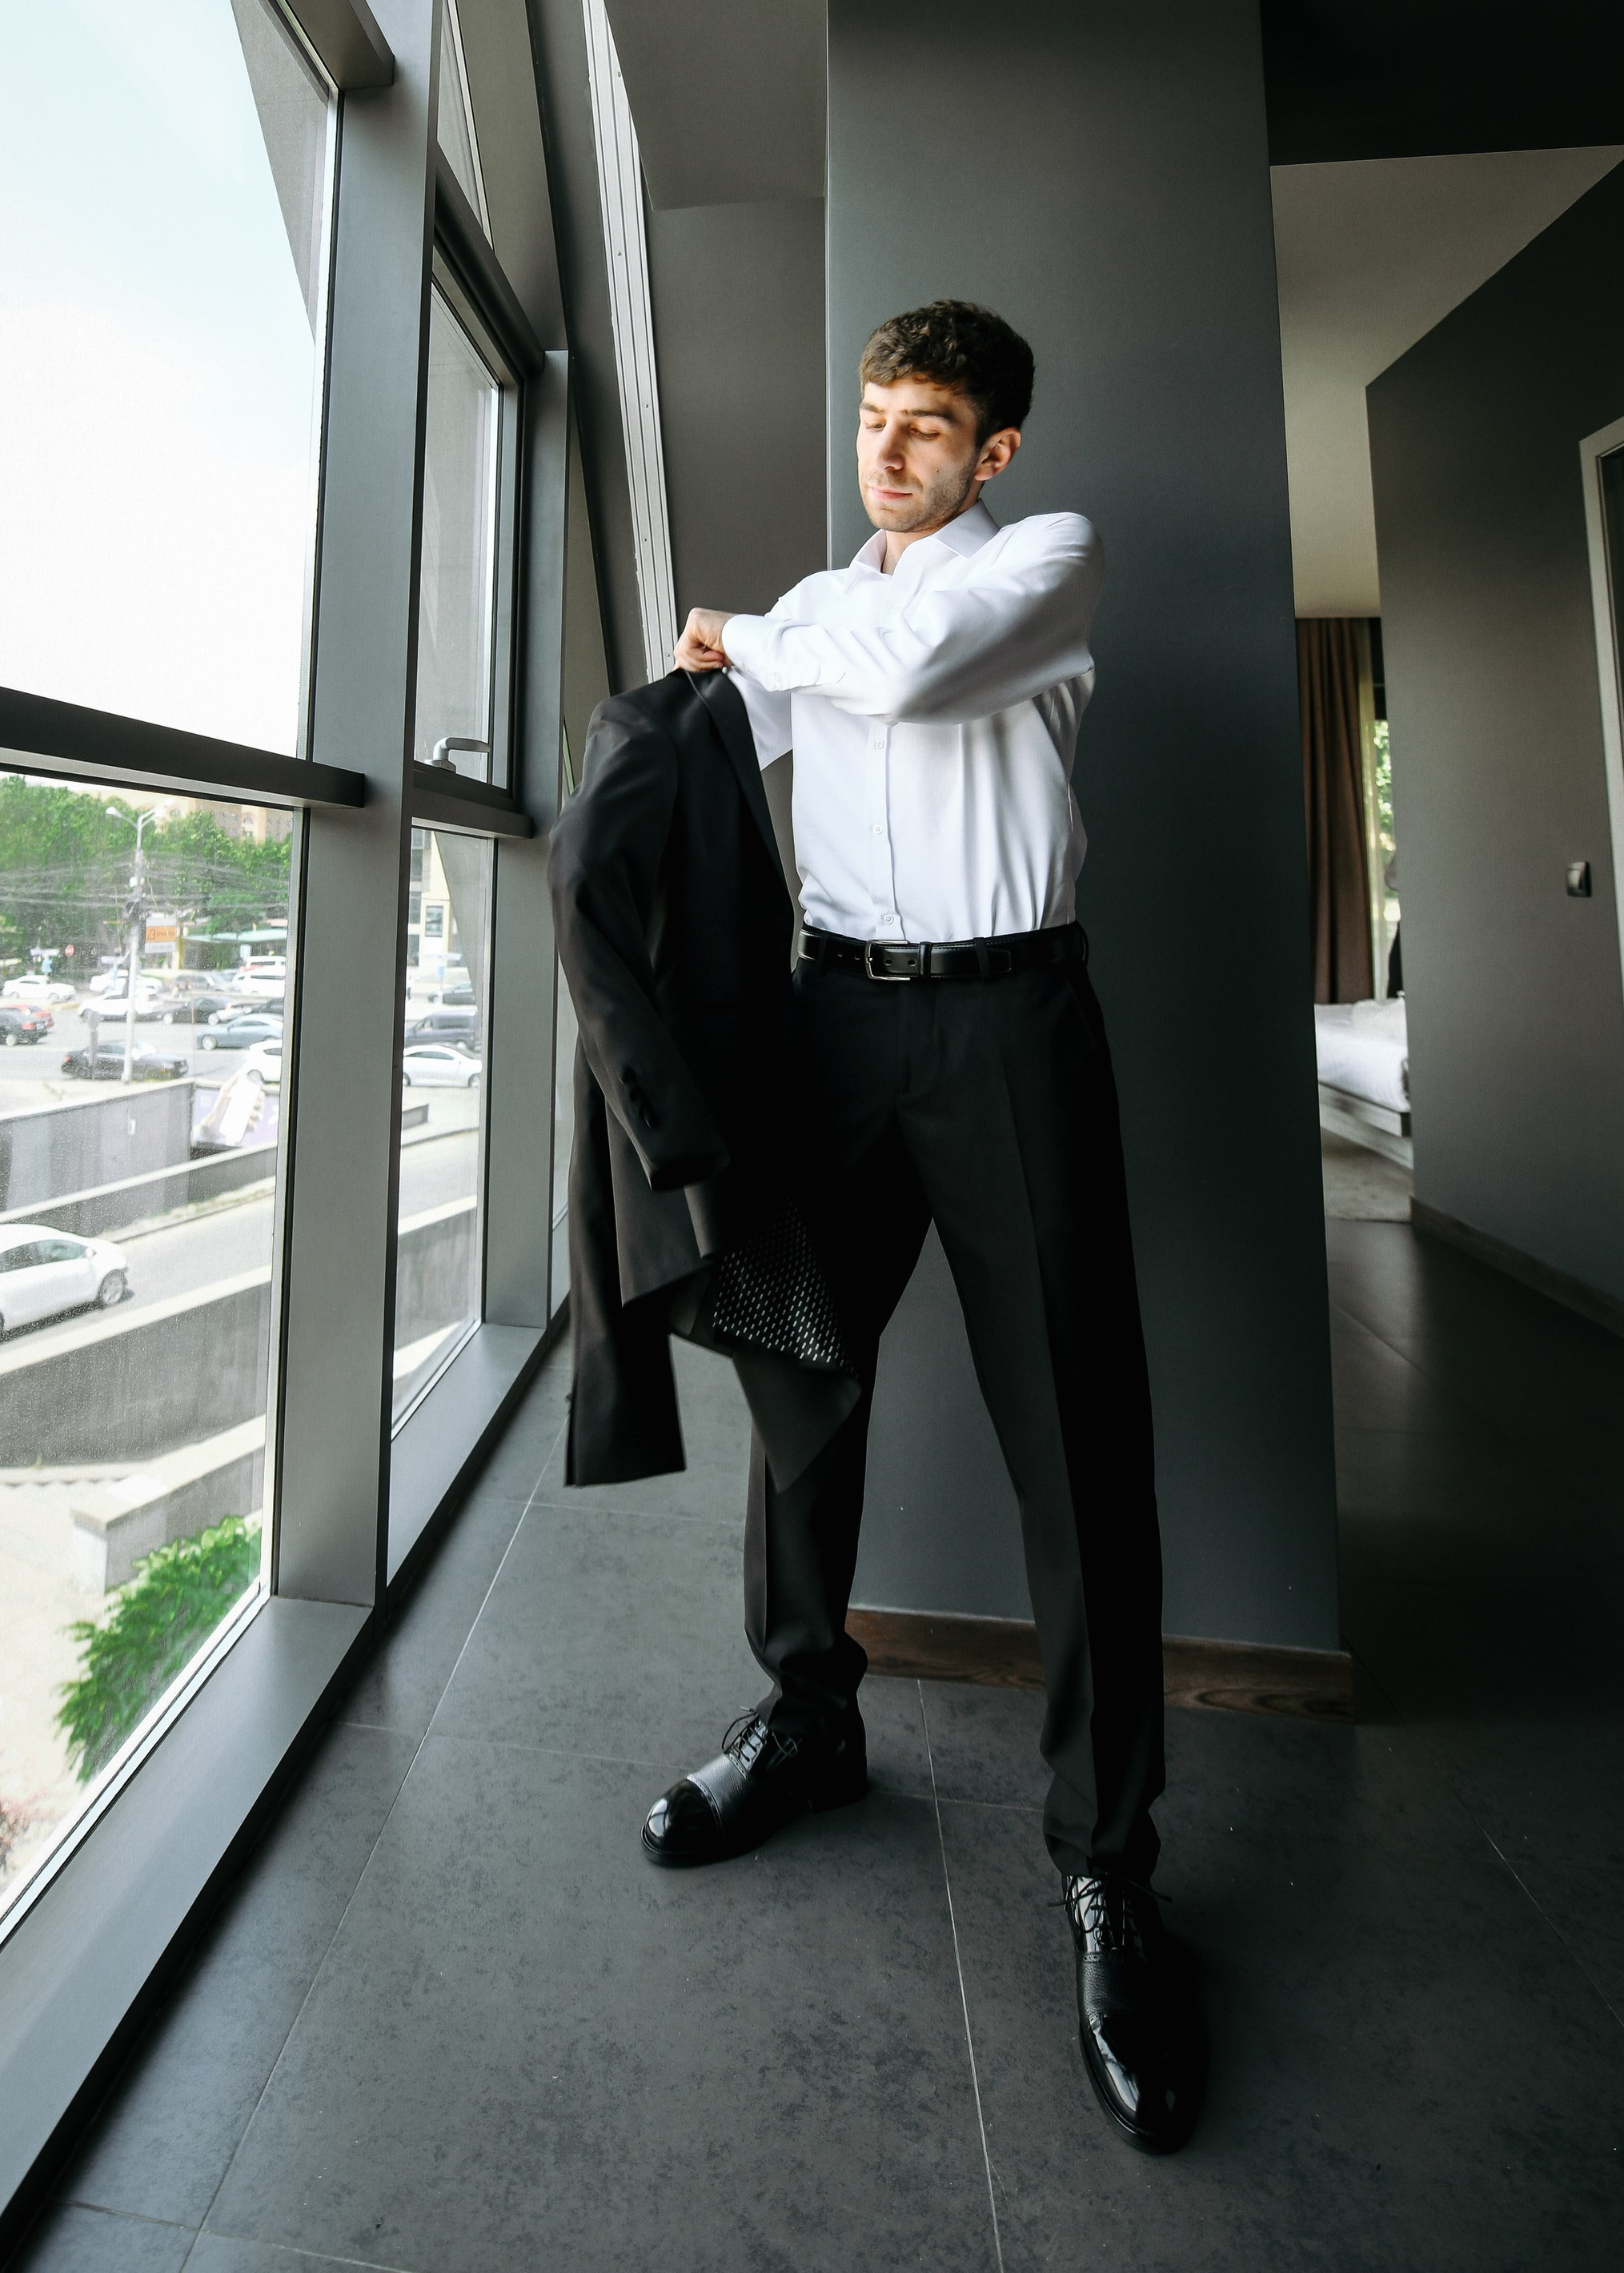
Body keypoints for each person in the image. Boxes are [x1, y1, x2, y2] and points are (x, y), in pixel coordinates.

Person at [652, 295, 1201, 2155]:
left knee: (1074, 1429)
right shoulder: (827, 599)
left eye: (927, 422)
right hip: (834, 1019)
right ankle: (806, 1715)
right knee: (797, 1375)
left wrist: (764, 628)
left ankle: (1108, 1867)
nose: (887, 447)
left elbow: (895, 664)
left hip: (1005, 1021)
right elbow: (740, 724)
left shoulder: (1044, 559)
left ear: (994, 448)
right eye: (874, 414)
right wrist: (764, 637)